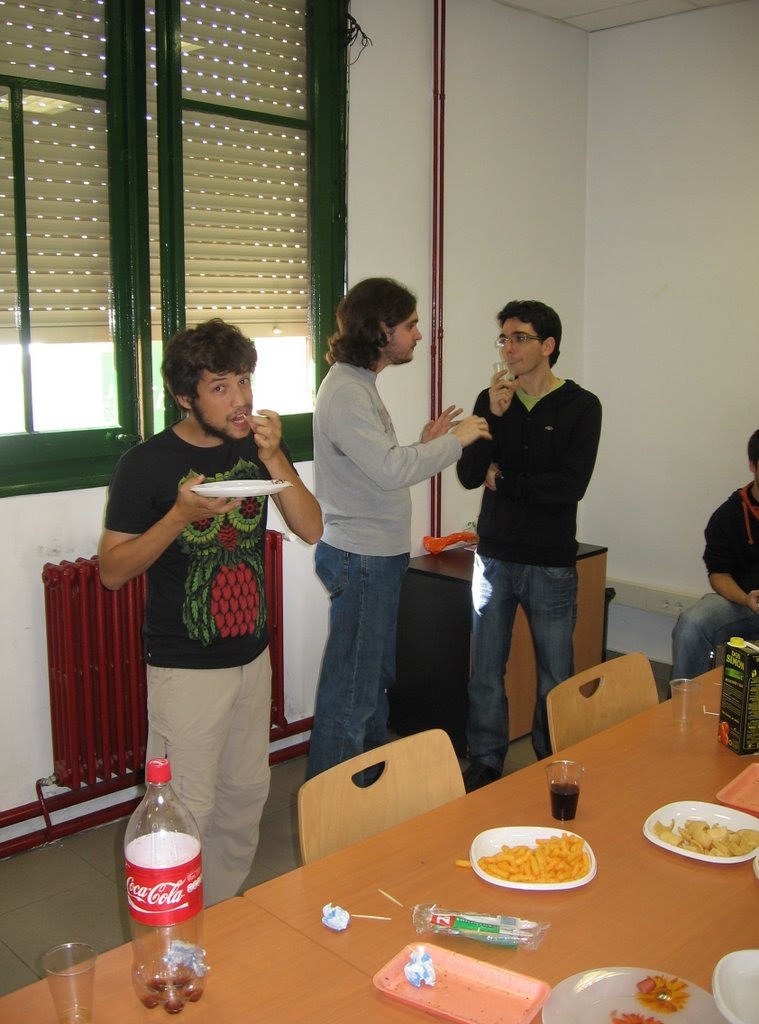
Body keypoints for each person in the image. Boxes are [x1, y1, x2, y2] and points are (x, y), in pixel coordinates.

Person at [98, 318, 322, 905]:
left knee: (245, 799)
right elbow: (112, 570)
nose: (240, 399)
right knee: (183, 813)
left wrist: (275, 459)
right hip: (185, 668)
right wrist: (178, 517)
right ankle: (173, 932)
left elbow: (311, 528)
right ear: (185, 397)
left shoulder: (257, 445)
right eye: (220, 387)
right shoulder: (145, 464)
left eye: (244, 380)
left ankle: (219, 917)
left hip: (252, 655)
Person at [307, 277, 492, 779]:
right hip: (363, 559)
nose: (418, 335)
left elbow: (379, 466)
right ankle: (334, 809)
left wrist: (426, 444)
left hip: (376, 558)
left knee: (371, 685)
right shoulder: (347, 391)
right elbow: (390, 470)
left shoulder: (359, 384)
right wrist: (454, 441)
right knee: (353, 693)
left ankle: (369, 793)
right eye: (410, 325)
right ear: (382, 329)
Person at [457, 299, 602, 790]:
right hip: (494, 557)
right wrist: (494, 418)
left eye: (520, 338)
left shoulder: (582, 406)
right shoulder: (491, 399)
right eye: (504, 338)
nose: (509, 348)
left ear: (548, 345)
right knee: (484, 671)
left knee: (555, 675)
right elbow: (469, 474)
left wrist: (505, 481)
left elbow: (568, 486)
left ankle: (552, 760)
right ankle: (485, 761)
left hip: (550, 562)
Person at [670, 426, 759, 678]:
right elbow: (719, 574)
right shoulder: (729, 515)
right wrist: (746, 599)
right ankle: (684, 700)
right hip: (745, 604)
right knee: (693, 623)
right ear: (753, 465)